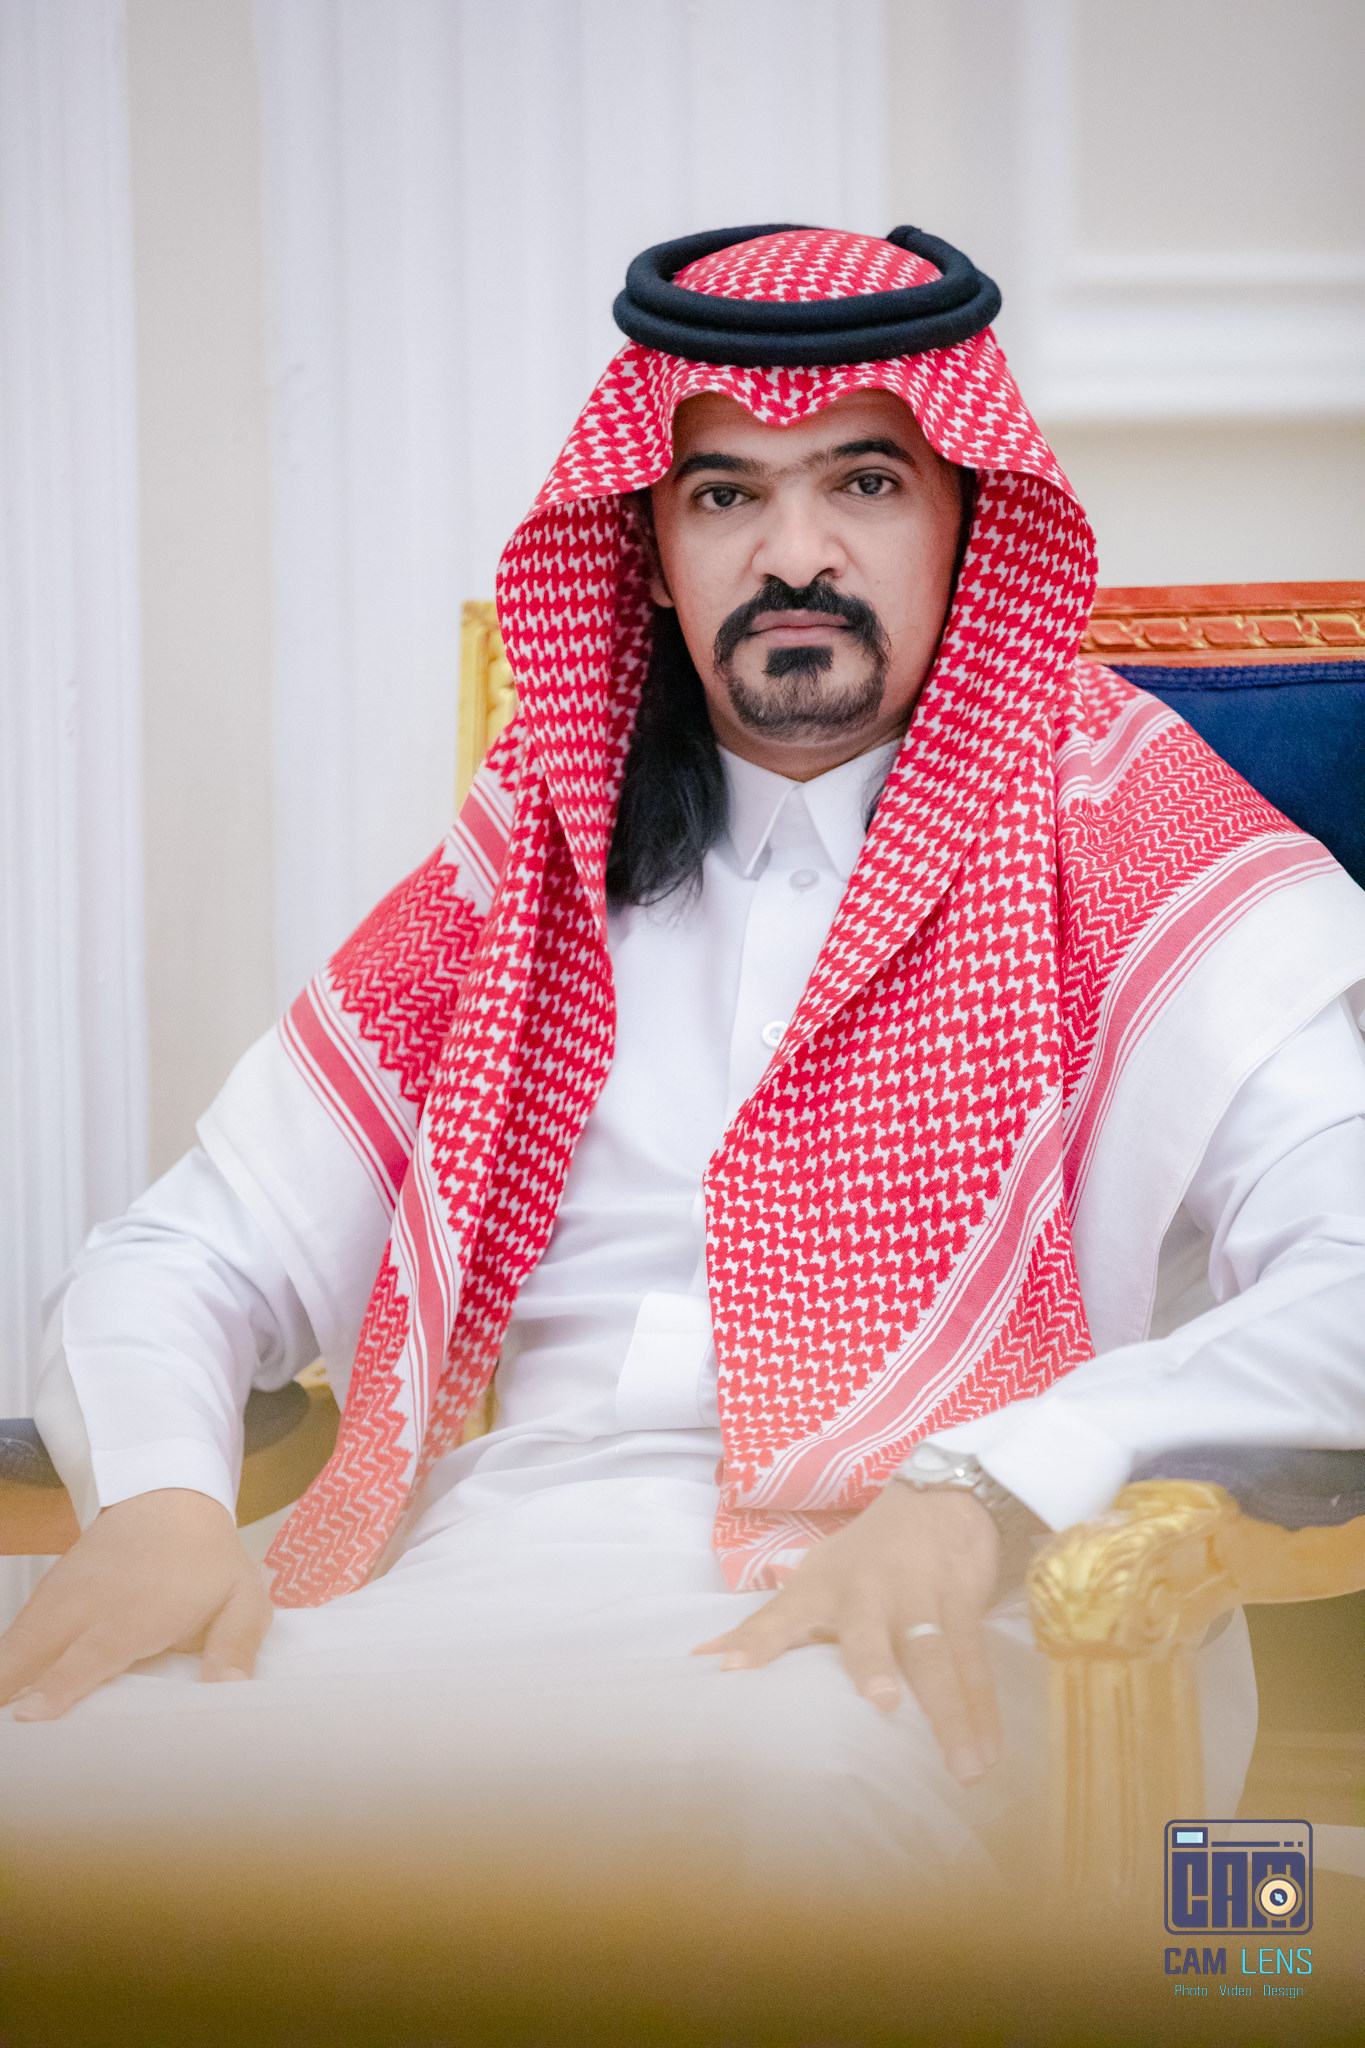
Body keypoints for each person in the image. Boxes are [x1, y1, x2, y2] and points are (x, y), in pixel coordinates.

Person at [3, 226, 1364, 1900]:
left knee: (735, 1836)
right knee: (54, 1810)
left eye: (863, 482)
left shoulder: (1135, 839)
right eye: (725, 494)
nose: (794, 555)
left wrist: (995, 1485)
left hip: (952, 1600)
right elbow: (177, 1257)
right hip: (482, 1581)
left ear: (964, 517)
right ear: (647, 550)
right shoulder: (534, 859)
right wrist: (157, 1503)